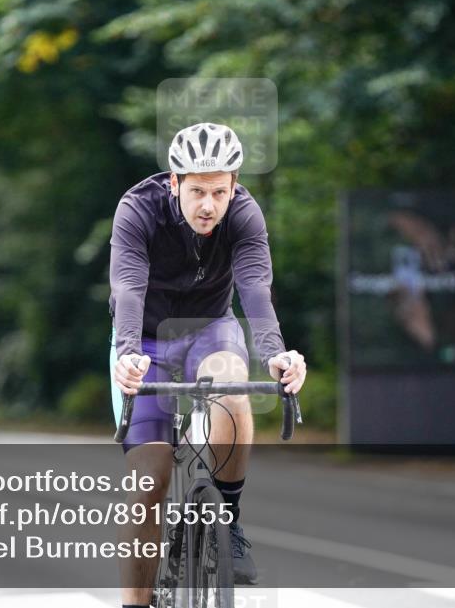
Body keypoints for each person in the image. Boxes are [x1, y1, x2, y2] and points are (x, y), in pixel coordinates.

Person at [109, 122, 307, 607]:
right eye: (197, 191)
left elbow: (255, 290)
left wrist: (278, 353)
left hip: (209, 330)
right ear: (174, 183)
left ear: (233, 186)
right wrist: (127, 353)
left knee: (233, 384)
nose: (207, 205)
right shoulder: (138, 209)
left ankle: (230, 521)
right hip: (147, 341)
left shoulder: (244, 215)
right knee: (148, 485)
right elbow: (129, 288)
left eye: (219, 191)